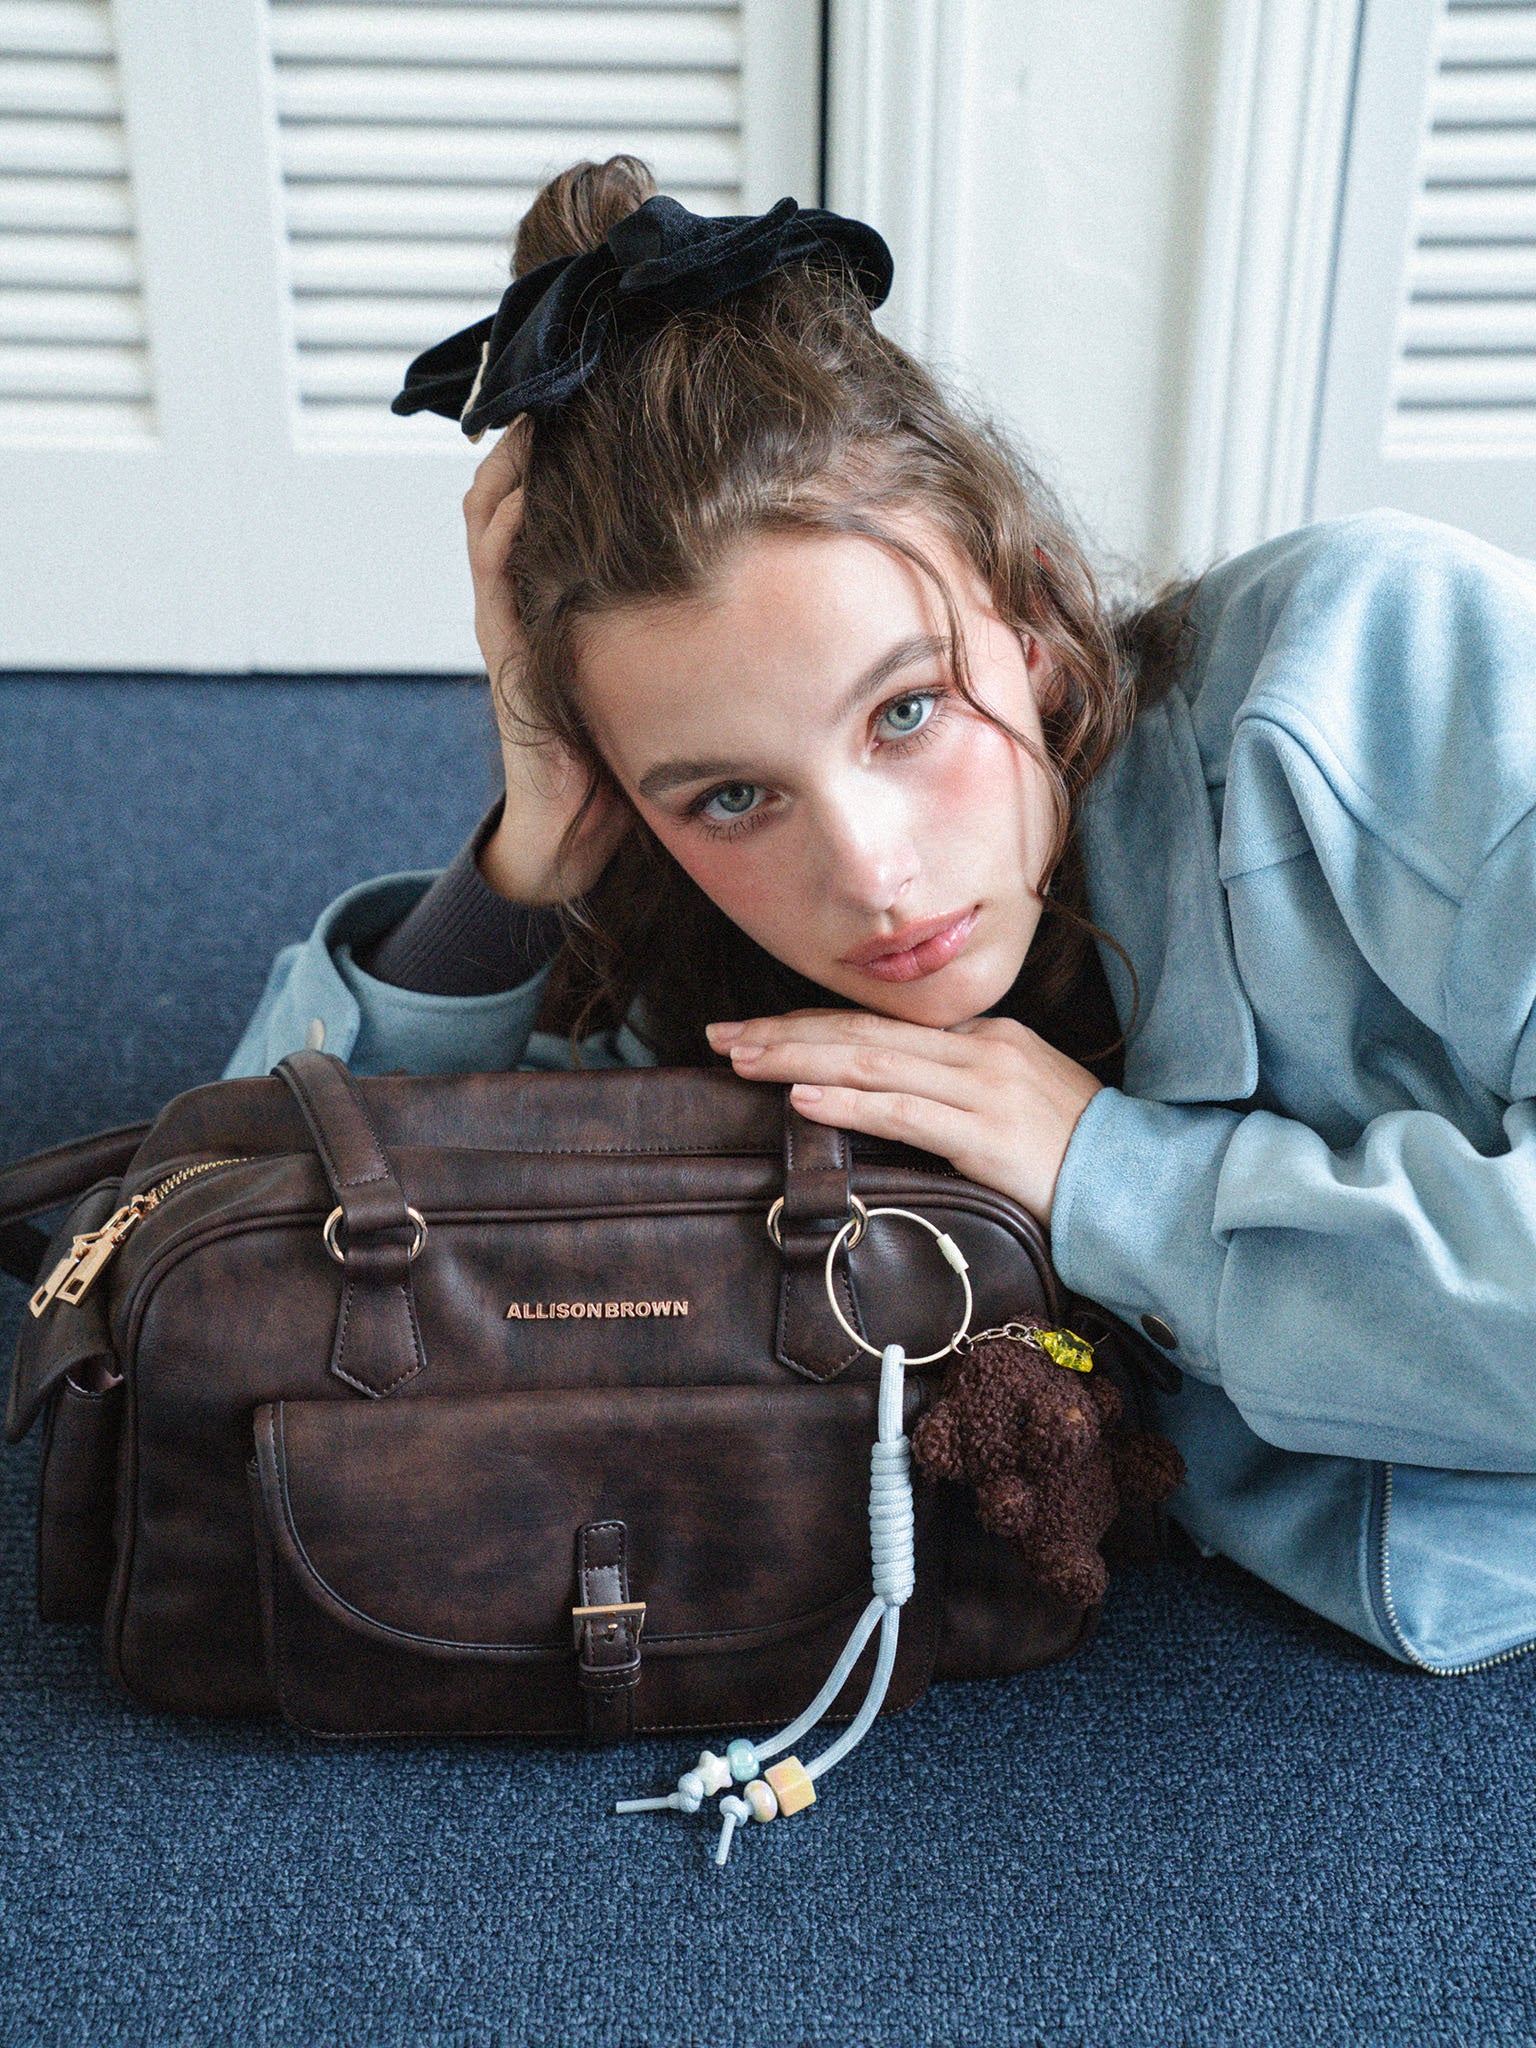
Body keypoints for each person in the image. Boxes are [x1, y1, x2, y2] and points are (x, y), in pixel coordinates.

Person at [225, 157, 1536, 1677]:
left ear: (1030, 617)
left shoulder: (1389, 664)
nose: (870, 877)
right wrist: (527, 857)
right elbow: (235, 1236)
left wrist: (1106, 1174)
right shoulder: (705, 963)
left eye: (907, 711)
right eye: (730, 795)